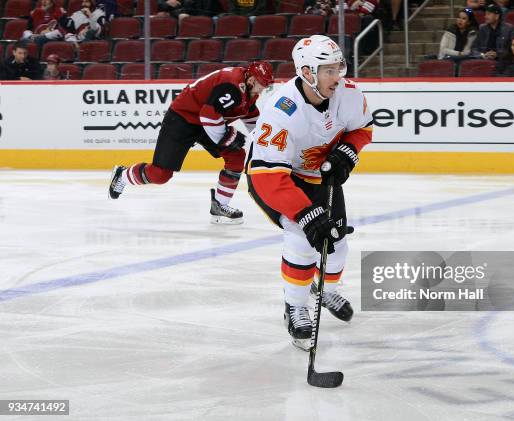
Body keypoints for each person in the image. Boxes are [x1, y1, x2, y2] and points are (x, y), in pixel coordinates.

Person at [246, 35, 373, 350]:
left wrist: (348, 151)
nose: (337, 76)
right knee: (302, 236)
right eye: (328, 70)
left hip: (319, 176)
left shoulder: (349, 95)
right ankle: (295, 307)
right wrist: (305, 214)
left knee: (337, 242)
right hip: (276, 178)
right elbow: (268, 175)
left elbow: (363, 128)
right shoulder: (281, 110)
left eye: (338, 68)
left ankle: (322, 286)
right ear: (306, 73)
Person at [108, 61, 274, 225]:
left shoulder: (248, 89)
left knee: (236, 156)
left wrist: (266, 142)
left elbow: (249, 114)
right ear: (251, 80)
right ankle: (122, 175)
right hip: (182, 119)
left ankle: (220, 206)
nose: (263, 89)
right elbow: (208, 116)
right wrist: (228, 137)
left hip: (204, 122)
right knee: (160, 175)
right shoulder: (232, 86)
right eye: (262, 85)